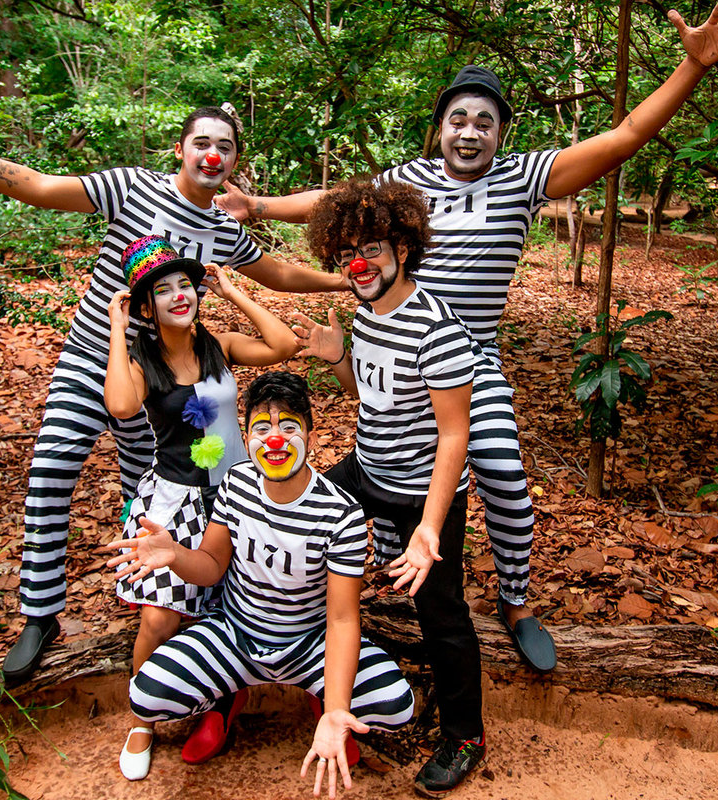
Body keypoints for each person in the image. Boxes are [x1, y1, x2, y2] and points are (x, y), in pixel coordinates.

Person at [217, 1, 718, 672]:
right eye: (458, 119)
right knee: (376, 472)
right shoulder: (407, 181)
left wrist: (692, 65)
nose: (470, 133)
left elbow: (624, 137)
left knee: (501, 477)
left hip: (472, 360)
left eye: (485, 122)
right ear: (440, 127)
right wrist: (257, 206)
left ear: (501, 132)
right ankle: (350, 583)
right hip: (394, 349)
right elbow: (334, 202)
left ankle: (517, 601)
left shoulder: (524, 179)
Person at [0, 95, 346, 686]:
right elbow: (41, 187)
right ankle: (40, 614)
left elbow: (275, 274)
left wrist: (342, 280)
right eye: (202, 142)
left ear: (234, 163)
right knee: (51, 472)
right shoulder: (134, 187)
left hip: (165, 380)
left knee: (148, 487)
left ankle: (158, 605)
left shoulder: (225, 228)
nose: (212, 154)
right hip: (95, 355)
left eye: (225, 147)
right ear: (180, 149)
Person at [106, 371, 414, 796]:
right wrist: (175, 554)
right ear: (246, 435)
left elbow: (343, 620)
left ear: (310, 432)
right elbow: (213, 565)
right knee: (146, 695)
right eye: (261, 429)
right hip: (236, 635)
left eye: (289, 427)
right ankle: (228, 697)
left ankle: (321, 699)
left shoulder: (341, 514)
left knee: (395, 704)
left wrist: (337, 710)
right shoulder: (236, 483)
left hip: (309, 644)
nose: (275, 440)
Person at [292, 178, 488, 797]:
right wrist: (340, 361)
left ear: (403, 248)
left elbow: (455, 436)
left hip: (423, 489)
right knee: (301, 524)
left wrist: (429, 527)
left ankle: (465, 733)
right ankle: (306, 664)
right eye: (349, 250)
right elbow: (369, 398)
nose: (360, 262)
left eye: (373, 247)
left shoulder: (439, 331)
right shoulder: (366, 313)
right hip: (367, 468)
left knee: (440, 609)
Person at [101, 235, 298, 779]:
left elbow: (283, 345)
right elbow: (119, 404)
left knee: (227, 611)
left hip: (236, 494)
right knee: (160, 618)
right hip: (179, 501)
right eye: (162, 290)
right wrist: (119, 331)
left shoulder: (219, 345)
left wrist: (233, 290)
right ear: (146, 306)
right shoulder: (142, 359)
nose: (178, 295)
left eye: (185, 284)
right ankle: (143, 718)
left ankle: (217, 703)